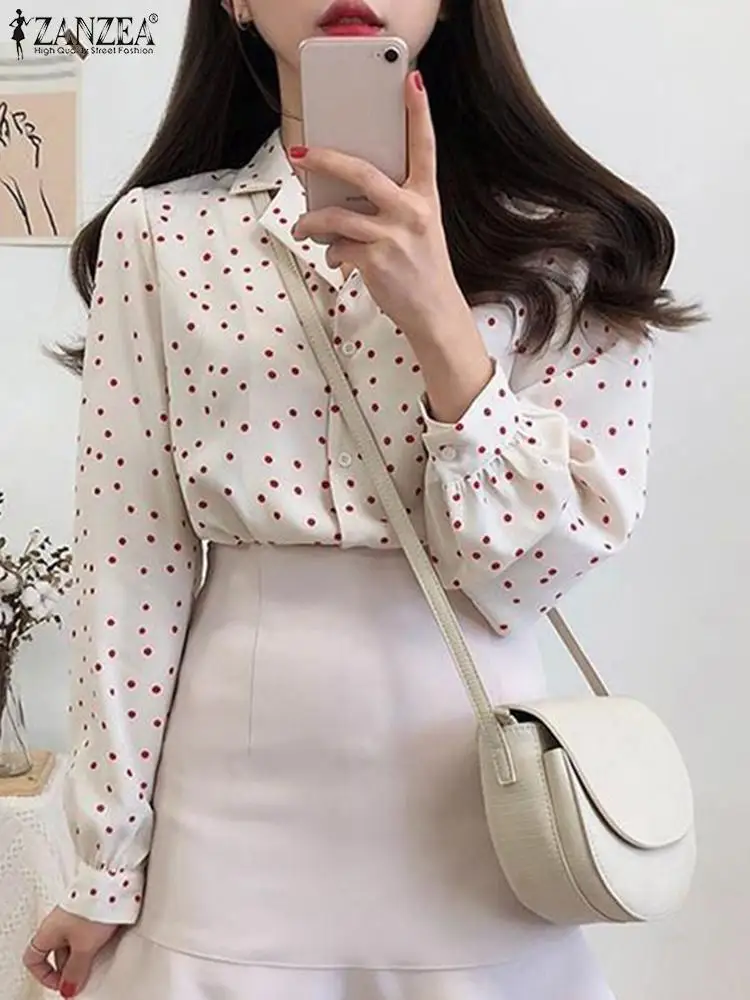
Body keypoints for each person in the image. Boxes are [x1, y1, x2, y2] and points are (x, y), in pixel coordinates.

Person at [24, 1, 699, 998]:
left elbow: (544, 566)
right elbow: (128, 570)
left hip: (482, 796)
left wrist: (441, 320)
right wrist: (104, 866)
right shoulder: (161, 234)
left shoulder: (563, 239)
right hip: (228, 808)